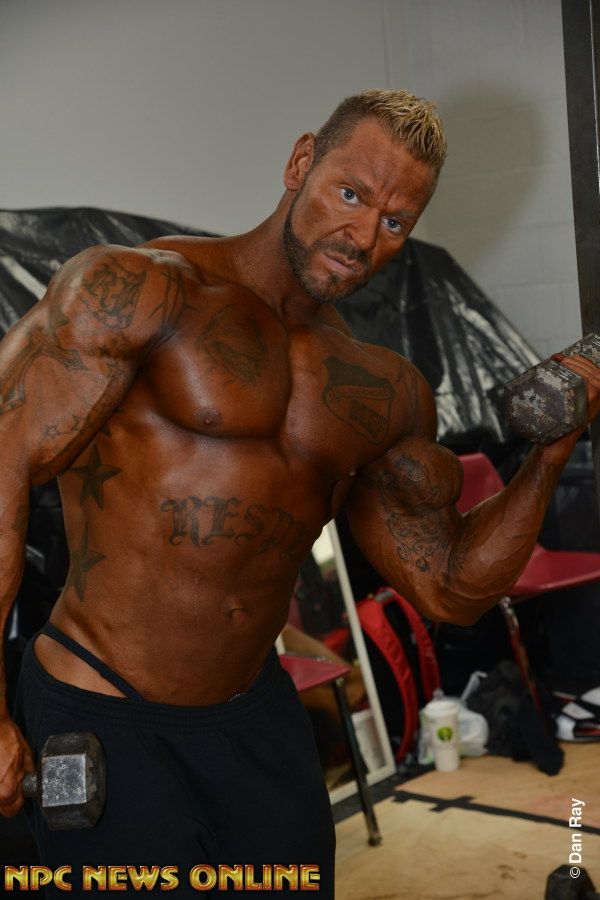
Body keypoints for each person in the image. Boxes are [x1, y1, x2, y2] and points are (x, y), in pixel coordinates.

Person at [0, 88, 599, 896]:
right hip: (105, 710)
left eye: (395, 222)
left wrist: (551, 454)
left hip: (254, 717)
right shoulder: (137, 292)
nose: (363, 237)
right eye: (350, 194)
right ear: (300, 161)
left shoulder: (383, 390)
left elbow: (453, 588)